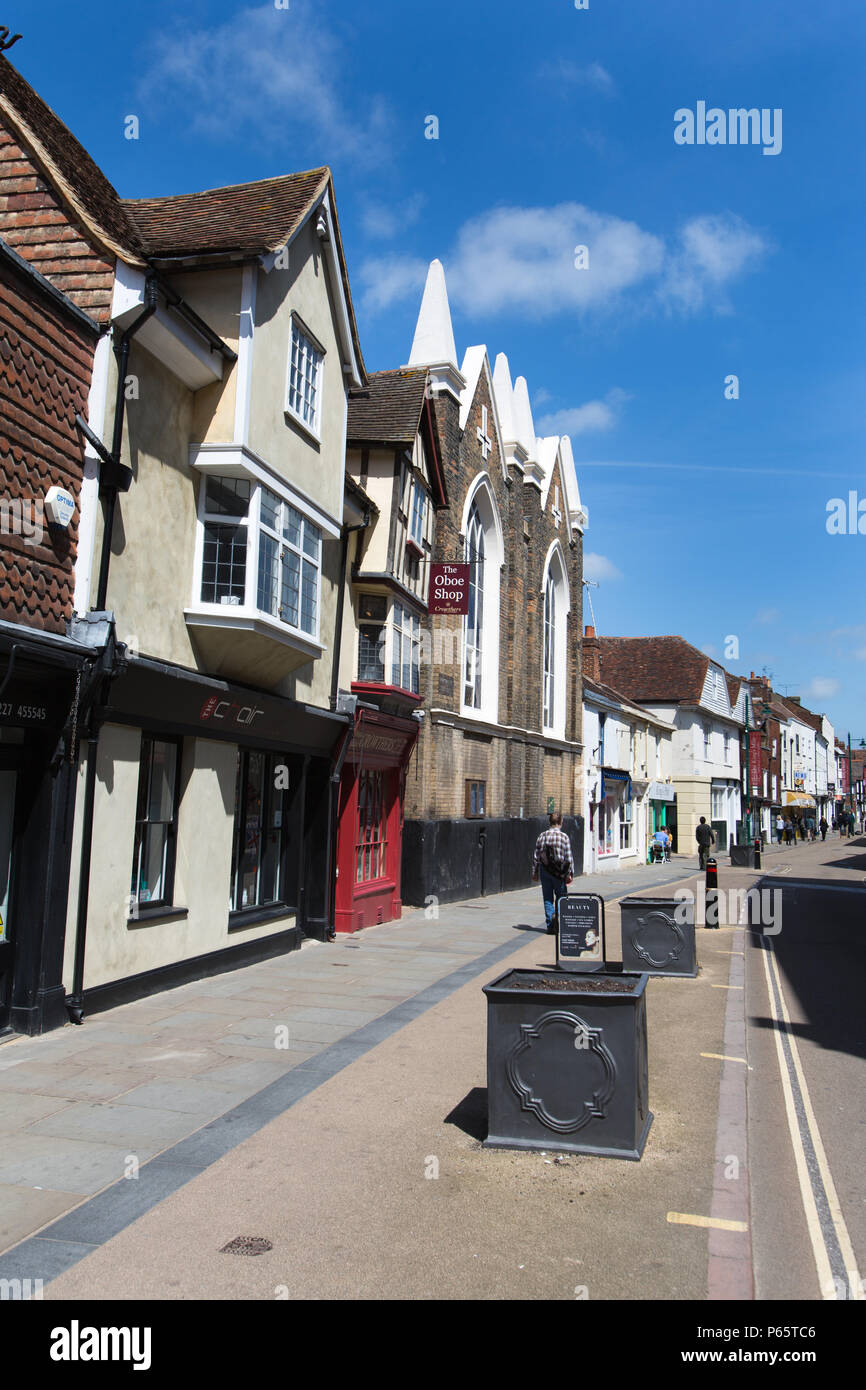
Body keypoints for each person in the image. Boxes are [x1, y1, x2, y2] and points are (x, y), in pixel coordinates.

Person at [532, 811, 575, 935]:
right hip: (560, 872)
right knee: (561, 897)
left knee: (547, 898)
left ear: (549, 822)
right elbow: (569, 857)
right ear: (561, 822)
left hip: (545, 871)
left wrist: (534, 872)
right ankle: (558, 916)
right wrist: (570, 873)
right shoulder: (564, 837)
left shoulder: (542, 836)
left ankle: (550, 925)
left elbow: (536, 856)